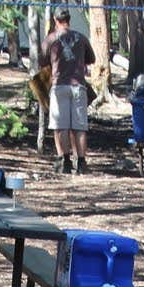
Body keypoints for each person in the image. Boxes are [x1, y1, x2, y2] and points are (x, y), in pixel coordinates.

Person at [42, 9, 95, 175]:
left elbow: (42, 61)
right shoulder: (81, 38)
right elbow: (91, 58)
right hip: (78, 86)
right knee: (79, 127)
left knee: (60, 126)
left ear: (55, 20)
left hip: (59, 86)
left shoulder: (50, 39)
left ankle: (63, 161)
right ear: (69, 20)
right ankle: (81, 163)